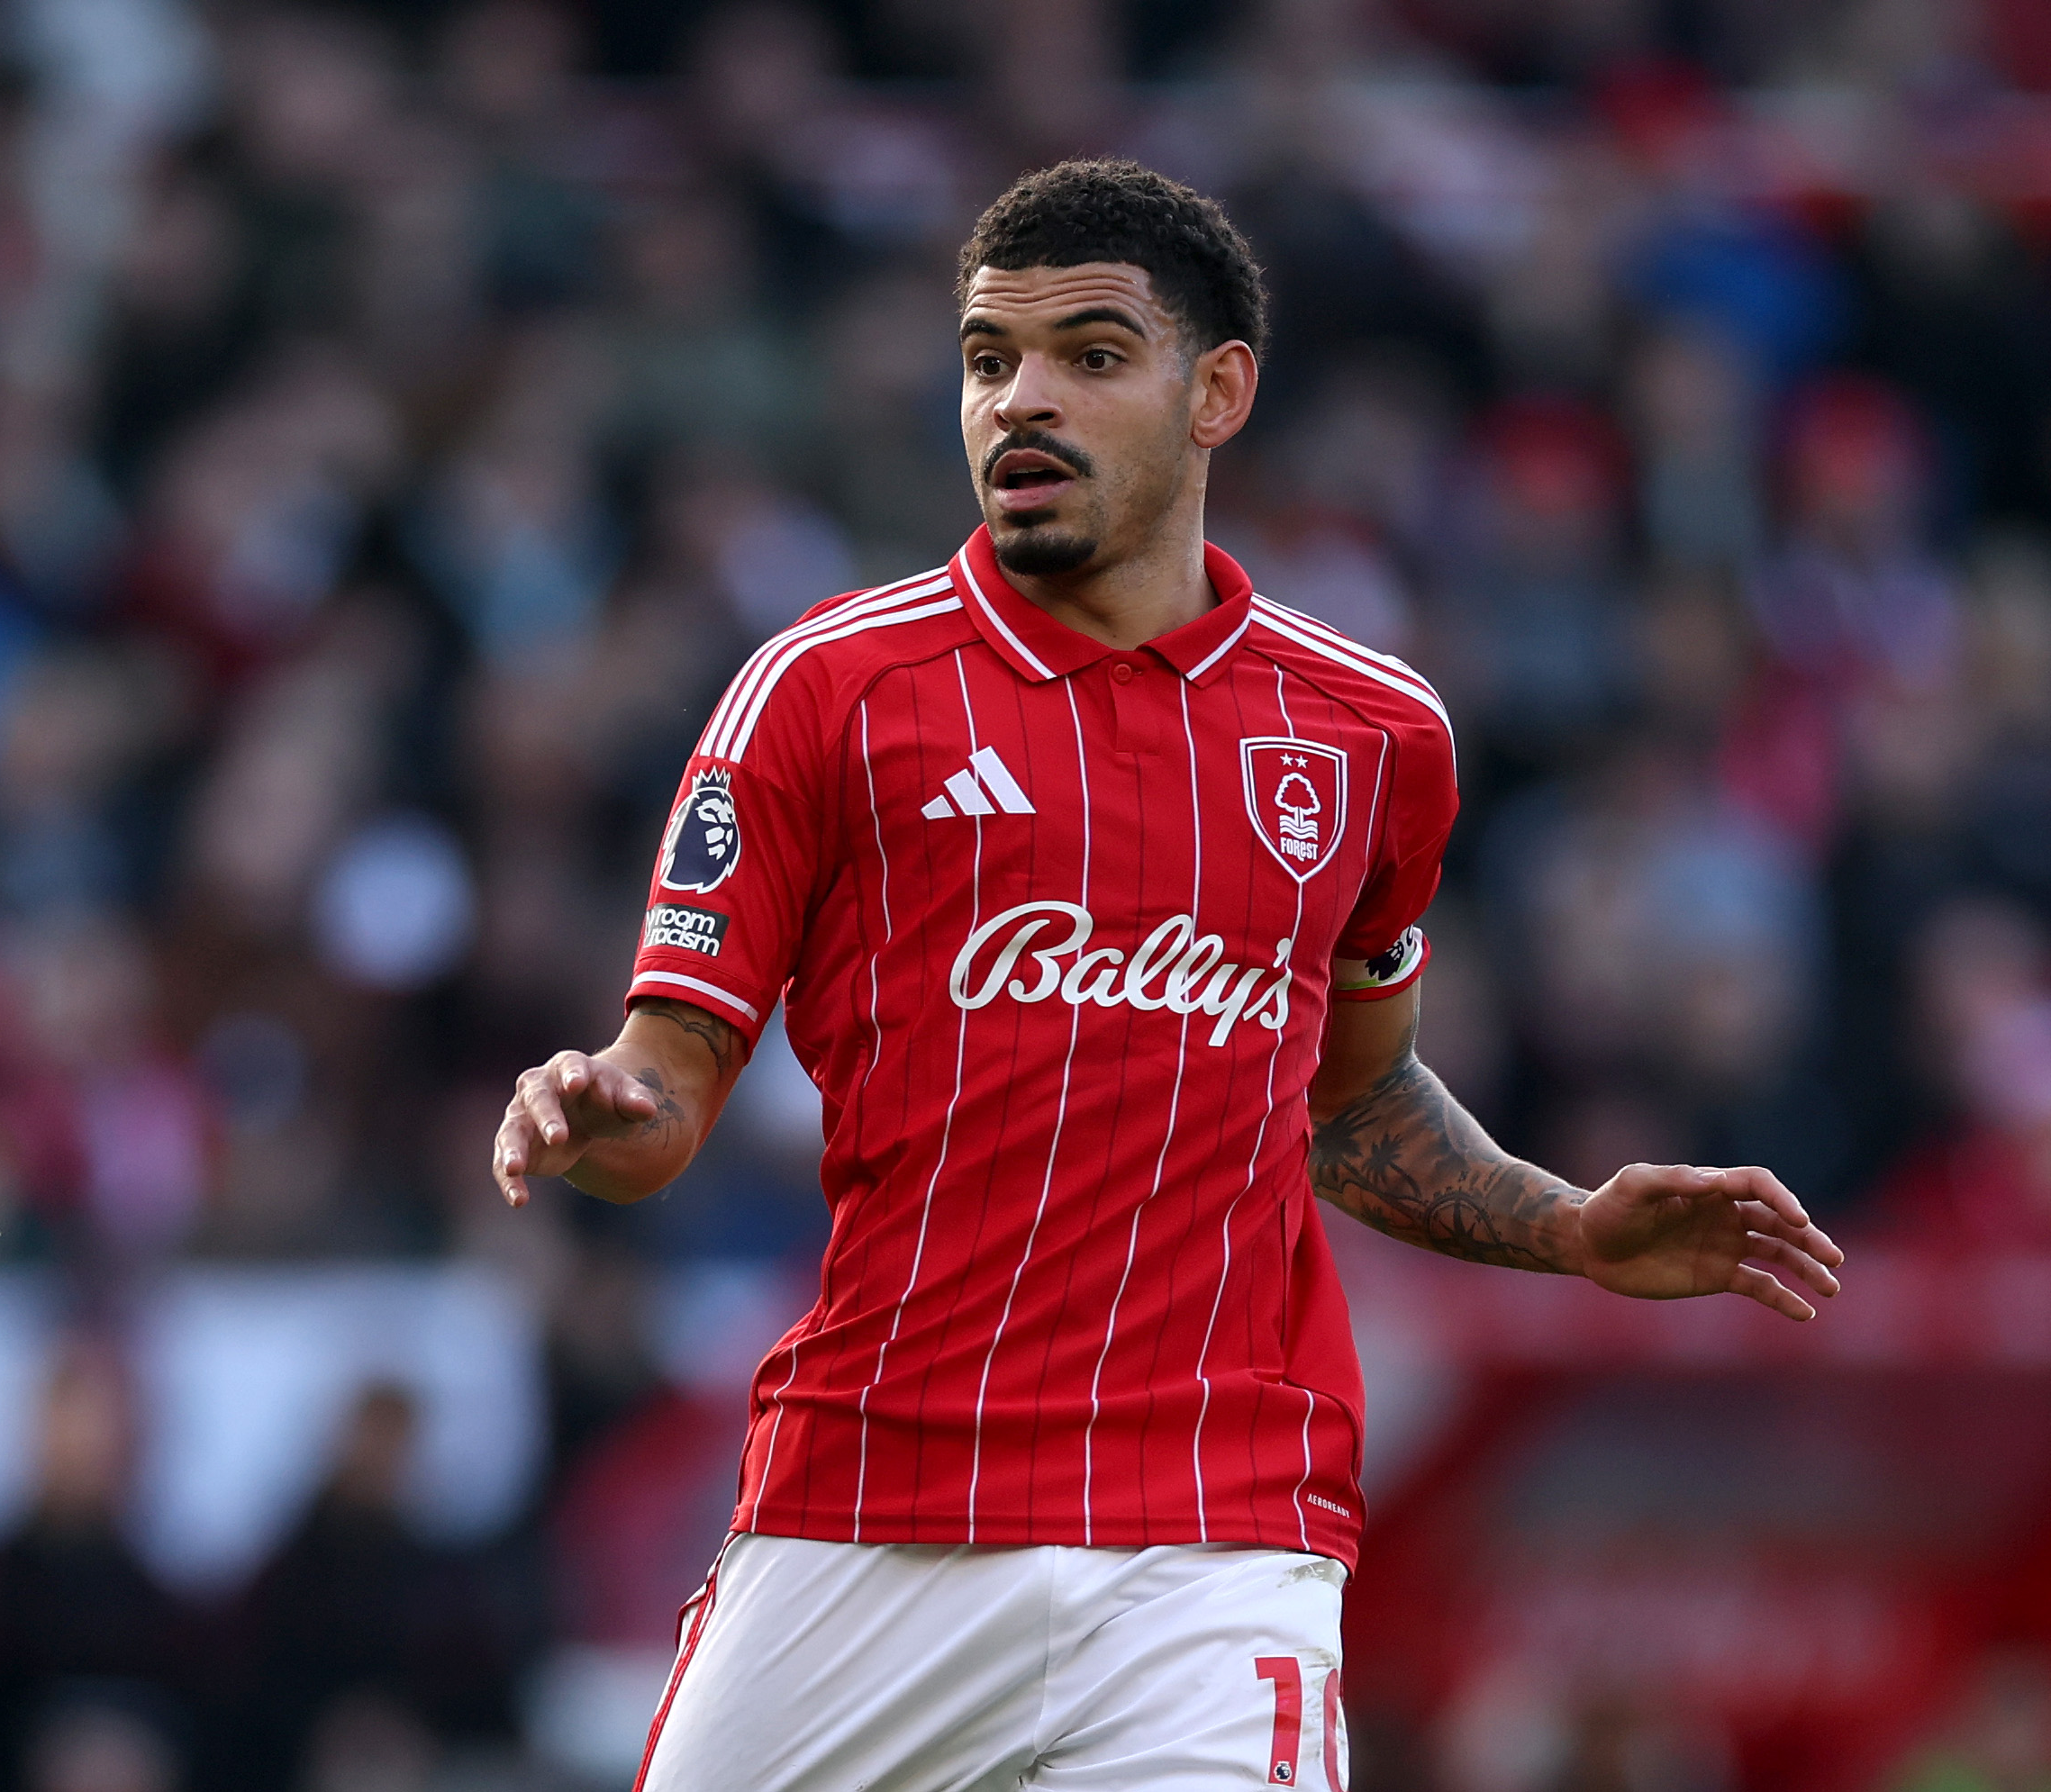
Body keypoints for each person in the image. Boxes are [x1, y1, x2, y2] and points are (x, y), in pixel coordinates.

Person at [490, 160, 1848, 1792]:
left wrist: (1561, 1226)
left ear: (1218, 391)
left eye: (1089, 352)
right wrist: (602, 1106)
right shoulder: (826, 692)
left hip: (1210, 1545)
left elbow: (1346, 1096)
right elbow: (670, 1082)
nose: (1023, 400)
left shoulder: (1369, 736)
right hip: (869, 1505)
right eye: (990, 359)